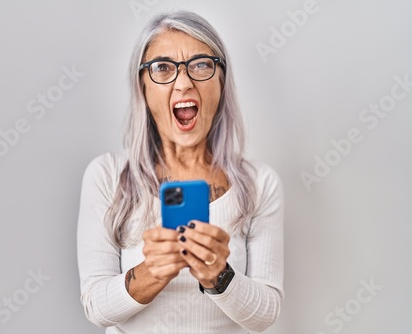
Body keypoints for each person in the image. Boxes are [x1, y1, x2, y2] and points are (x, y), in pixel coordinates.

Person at [77, 10, 284, 333]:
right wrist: (153, 272)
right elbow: (96, 306)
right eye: (162, 68)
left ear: (221, 80)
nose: (184, 83)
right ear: (142, 86)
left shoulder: (260, 183)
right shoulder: (106, 175)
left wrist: (219, 275)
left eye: (201, 64)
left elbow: (265, 314)